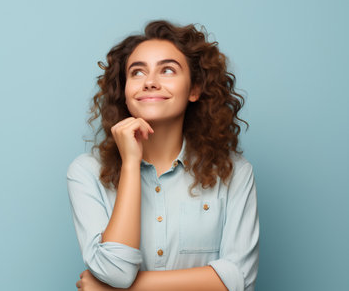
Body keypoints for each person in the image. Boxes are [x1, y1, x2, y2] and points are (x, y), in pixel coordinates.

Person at [67, 20, 259, 291]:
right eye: (137, 73)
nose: (150, 83)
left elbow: (238, 279)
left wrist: (112, 290)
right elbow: (116, 271)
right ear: (124, 92)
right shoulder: (85, 172)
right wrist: (131, 164)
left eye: (167, 70)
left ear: (194, 89)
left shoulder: (235, 172)